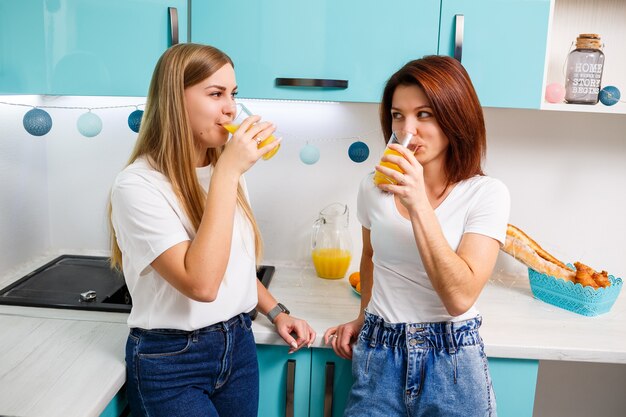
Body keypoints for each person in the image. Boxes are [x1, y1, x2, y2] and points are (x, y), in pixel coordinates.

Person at [108, 43, 316, 417]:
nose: (231, 108)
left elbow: (231, 266)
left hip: (237, 345)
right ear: (175, 100)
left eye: (233, 94)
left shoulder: (223, 169)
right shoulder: (138, 186)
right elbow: (202, 284)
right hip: (170, 361)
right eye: (216, 94)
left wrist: (277, 312)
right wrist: (229, 173)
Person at [324, 55, 510, 417]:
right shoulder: (372, 186)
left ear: (456, 116)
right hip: (380, 352)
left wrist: (418, 201)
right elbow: (371, 257)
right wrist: (365, 317)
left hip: (453, 359)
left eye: (424, 114)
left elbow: (459, 296)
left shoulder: (486, 194)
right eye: (398, 115)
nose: (408, 129)